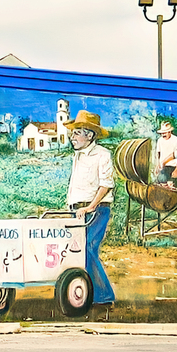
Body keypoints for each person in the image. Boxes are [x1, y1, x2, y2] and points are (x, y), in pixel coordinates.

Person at [65, 110, 115, 307]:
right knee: (77, 251)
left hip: (96, 210)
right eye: (73, 132)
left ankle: (103, 295)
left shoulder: (102, 154)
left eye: (77, 132)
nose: (72, 137)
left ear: (90, 135)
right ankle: (86, 292)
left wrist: (91, 207)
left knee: (88, 248)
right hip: (77, 210)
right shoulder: (77, 156)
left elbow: (106, 185)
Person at [154, 121, 177, 186]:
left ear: (169, 132)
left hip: (172, 166)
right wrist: (157, 165)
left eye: (165, 133)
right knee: (161, 185)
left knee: (171, 187)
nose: (163, 135)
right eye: (162, 133)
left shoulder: (175, 140)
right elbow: (158, 153)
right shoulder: (160, 140)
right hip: (163, 167)